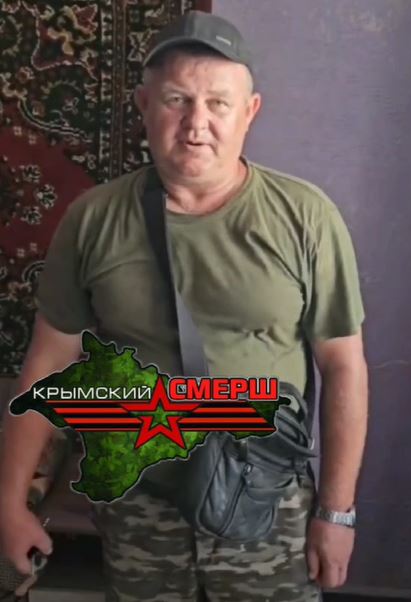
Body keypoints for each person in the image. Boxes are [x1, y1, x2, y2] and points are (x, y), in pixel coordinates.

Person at [0, 10, 368, 602]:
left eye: (219, 103)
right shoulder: (93, 219)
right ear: (145, 105)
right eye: (178, 99)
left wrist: (337, 513)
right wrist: (9, 503)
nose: (198, 124)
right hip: (137, 499)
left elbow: (344, 367)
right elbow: (47, 364)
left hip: (265, 495)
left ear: (249, 112)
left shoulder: (306, 217)